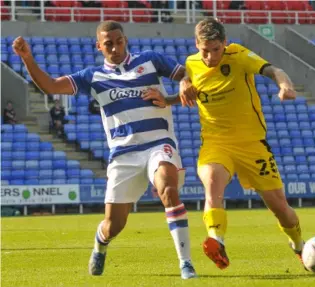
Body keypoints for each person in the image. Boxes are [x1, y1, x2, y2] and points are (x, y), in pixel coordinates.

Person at [12, 20, 197, 279]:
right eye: (108, 44)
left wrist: (185, 83)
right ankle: (100, 244)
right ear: (99, 46)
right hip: (123, 154)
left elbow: (188, 73)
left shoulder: (151, 60)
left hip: (159, 142)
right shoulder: (93, 77)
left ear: (125, 40)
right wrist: (28, 59)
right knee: (114, 225)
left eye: (119, 41)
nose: (115, 47)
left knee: (168, 188)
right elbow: (52, 86)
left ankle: (186, 263)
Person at [144, 18, 305, 271]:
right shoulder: (191, 64)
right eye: (204, 50)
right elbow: (192, 94)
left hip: (253, 145)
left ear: (225, 44)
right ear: (196, 44)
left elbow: (274, 70)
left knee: (280, 209)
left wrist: (285, 86)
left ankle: (298, 246)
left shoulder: (239, 56)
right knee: (211, 181)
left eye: (216, 49)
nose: (209, 57)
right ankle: (216, 241)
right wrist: (170, 98)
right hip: (216, 142)